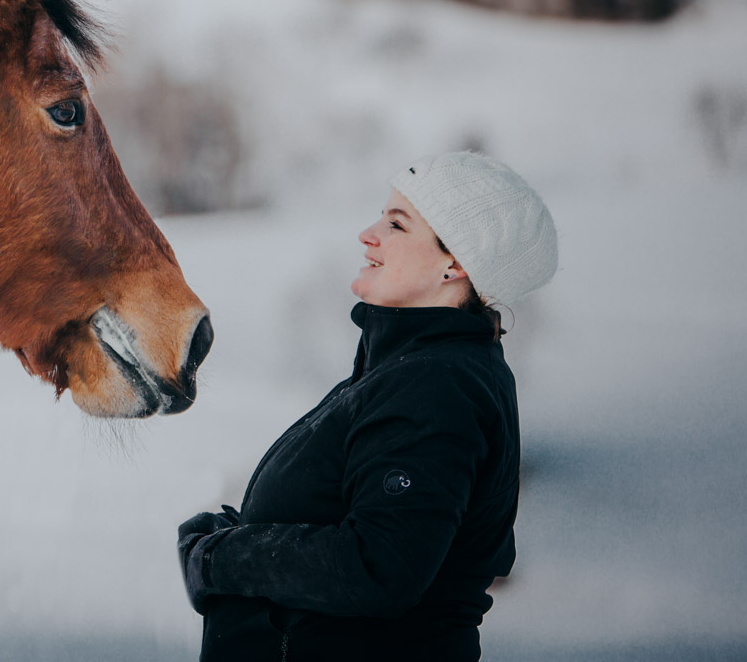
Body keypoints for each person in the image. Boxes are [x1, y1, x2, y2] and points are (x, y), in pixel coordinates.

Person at [177, 151, 558, 661]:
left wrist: (223, 559)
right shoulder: (409, 372)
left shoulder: (435, 387)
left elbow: (378, 567)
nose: (368, 234)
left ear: (456, 262)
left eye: (397, 225)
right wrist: (235, 536)